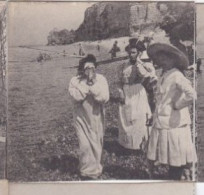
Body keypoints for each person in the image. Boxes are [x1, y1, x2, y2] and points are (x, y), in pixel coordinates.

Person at [147, 43, 197, 180]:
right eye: (158, 58)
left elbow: (192, 95)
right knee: (170, 154)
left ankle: (176, 177)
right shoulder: (164, 74)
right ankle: (174, 176)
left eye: (162, 58)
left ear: (171, 59)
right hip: (164, 120)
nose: (159, 61)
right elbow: (161, 99)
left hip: (175, 122)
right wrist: (154, 114)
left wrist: (177, 105)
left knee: (176, 154)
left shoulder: (176, 75)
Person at [68, 54, 109, 180]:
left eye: (92, 67)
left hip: (96, 117)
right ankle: (86, 171)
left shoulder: (101, 79)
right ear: (82, 68)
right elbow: (76, 97)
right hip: (81, 118)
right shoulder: (74, 80)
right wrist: (87, 83)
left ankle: (96, 170)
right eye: (87, 67)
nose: (90, 70)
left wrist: (93, 83)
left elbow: (104, 98)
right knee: (84, 145)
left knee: (96, 143)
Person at [117, 38, 156, 152]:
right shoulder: (124, 65)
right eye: (129, 52)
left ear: (139, 53)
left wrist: (139, 63)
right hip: (126, 92)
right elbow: (119, 81)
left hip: (138, 91)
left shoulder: (145, 65)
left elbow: (145, 76)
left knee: (139, 117)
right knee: (126, 117)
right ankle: (128, 144)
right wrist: (120, 93)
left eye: (133, 52)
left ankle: (141, 144)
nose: (131, 54)